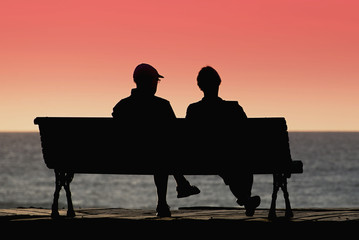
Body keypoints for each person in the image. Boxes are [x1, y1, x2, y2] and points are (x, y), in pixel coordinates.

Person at [112, 63, 200, 217]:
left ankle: (180, 186)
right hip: (157, 156)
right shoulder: (162, 106)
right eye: (156, 81)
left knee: (160, 150)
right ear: (151, 82)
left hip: (126, 157)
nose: (156, 85)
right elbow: (176, 135)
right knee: (162, 150)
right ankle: (172, 193)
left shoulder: (121, 106)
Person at [186, 66, 261, 216]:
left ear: (200, 86)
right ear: (219, 83)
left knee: (227, 162)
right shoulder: (233, 108)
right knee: (238, 161)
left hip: (201, 158)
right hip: (228, 156)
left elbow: (187, 138)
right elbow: (247, 134)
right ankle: (245, 198)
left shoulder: (194, 110)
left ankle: (245, 199)